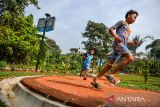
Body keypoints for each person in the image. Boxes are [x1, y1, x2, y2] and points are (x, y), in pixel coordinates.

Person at [91, 10, 140, 88]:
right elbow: (111, 29)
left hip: (121, 47)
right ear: (128, 15)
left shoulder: (129, 29)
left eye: (136, 18)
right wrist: (116, 37)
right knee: (130, 58)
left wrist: (133, 43)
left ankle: (95, 79)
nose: (135, 19)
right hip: (118, 45)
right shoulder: (122, 22)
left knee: (110, 65)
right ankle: (111, 74)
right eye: (134, 17)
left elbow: (126, 41)